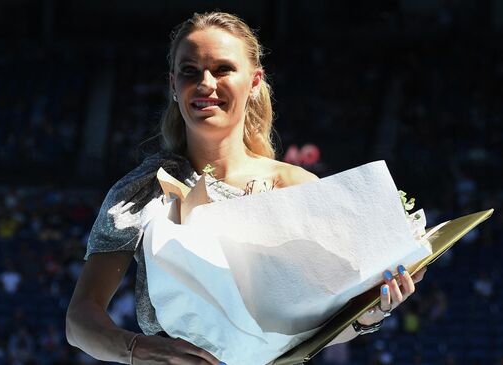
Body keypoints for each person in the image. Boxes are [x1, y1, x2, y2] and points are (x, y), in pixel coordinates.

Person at [66, 11, 427, 365]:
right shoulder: (141, 191)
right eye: (190, 72)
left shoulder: (295, 188)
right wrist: (142, 350)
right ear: (173, 85)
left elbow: (321, 326)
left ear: (254, 82)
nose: (206, 83)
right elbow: (80, 320)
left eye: (223, 69)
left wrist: (370, 312)